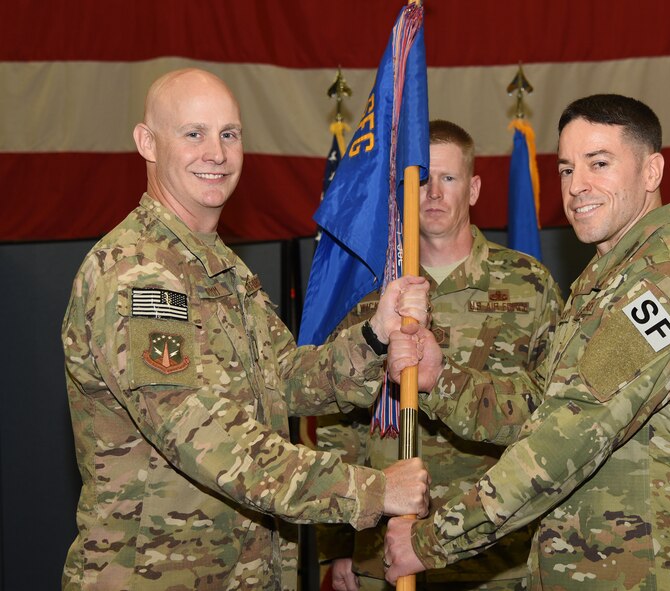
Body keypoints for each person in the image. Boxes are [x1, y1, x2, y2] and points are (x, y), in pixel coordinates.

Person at [61, 68, 432, 591]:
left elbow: (284, 378)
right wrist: (369, 490)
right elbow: (205, 437)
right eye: (194, 133)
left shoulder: (221, 269)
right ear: (147, 143)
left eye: (229, 134)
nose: (216, 153)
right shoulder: (137, 274)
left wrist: (373, 336)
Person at [384, 94, 670, 590]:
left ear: (652, 171)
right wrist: (441, 380)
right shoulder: (602, 281)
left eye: (599, 164)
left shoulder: (668, 285)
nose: (577, 185)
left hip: (655, 574)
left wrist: (432, 541)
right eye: (565, 169)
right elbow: (541, 407)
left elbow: (567, 438)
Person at [315, 119, 562, 591]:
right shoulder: (374, 296)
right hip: (383, 552)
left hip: (495, 555)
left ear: (473, 189)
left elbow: (553, 412)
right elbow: (339, 424)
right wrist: (338, 545)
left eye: (447, 179)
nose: (432, 193)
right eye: (420, 179)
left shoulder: (529, 287)